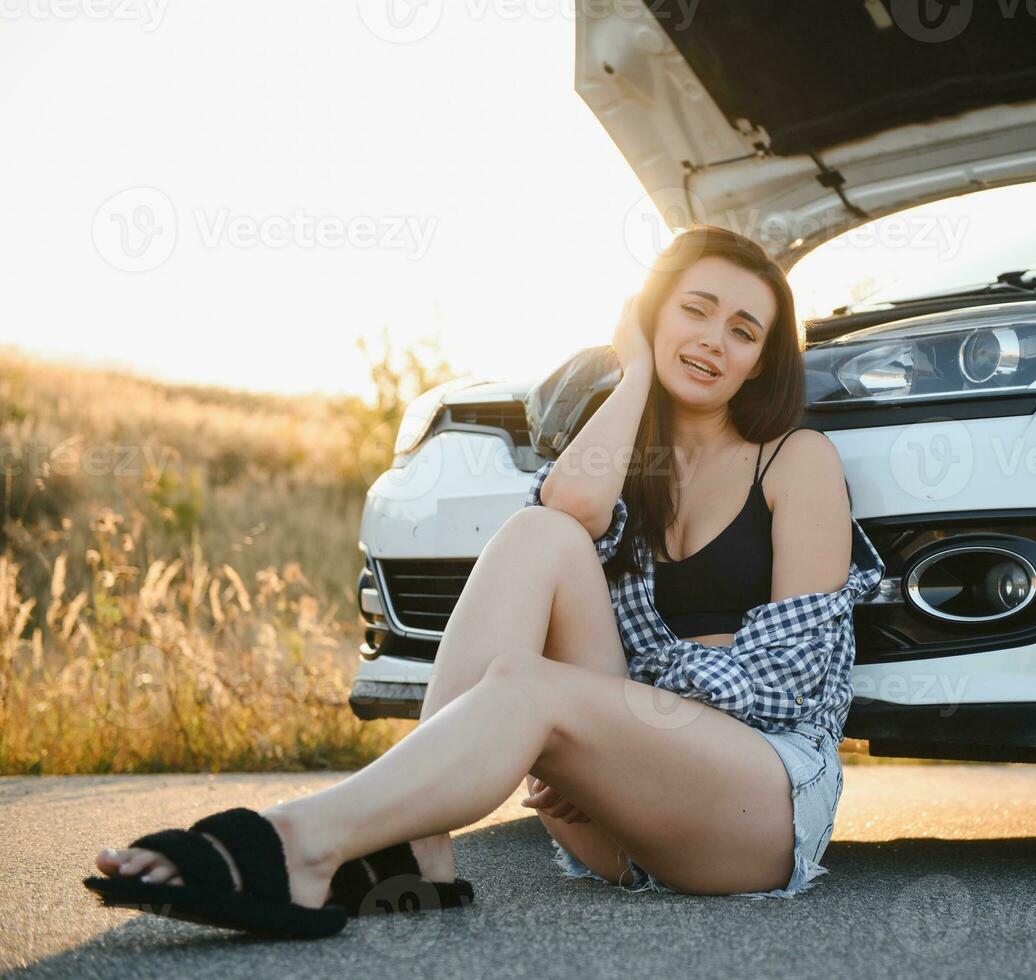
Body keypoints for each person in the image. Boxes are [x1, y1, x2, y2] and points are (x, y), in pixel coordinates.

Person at [82, 225, 884, 937]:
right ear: (651, 316)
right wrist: (633, 368)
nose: (713, 340)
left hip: (753, 811)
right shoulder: (621, 468)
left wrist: (591, 727)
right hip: (612, 818)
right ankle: (418, 852)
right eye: (694, 310)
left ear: (760, 363)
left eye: (742, 331)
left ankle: (297, 843)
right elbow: (567, 505)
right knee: (539, 532)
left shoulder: (795, 460)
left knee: (527, 686)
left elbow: (784, 682)